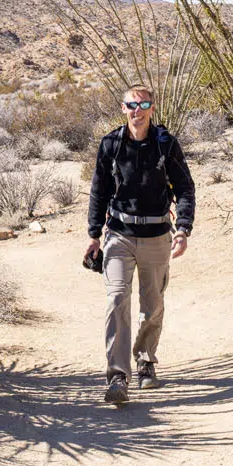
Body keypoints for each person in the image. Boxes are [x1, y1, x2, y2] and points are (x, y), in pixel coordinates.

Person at [86, 84, 195, 404]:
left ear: (152, 108)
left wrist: (183, 229)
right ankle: (118, 374)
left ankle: (146, 362)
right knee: (117, 298)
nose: (137, 110)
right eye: (132, 105)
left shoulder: (166, 144)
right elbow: (99, 191)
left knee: (153, 306)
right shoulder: (111, 144)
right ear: (123, 108)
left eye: (144, 104)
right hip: (119, 234)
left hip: (158, 234)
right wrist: (94, 235)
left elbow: (185, 188)